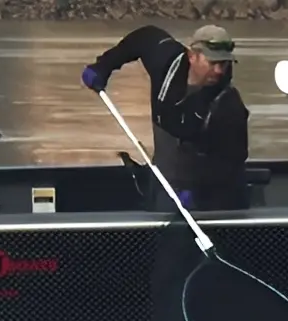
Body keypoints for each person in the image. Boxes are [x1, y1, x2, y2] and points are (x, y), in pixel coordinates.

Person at [80, 24, 250, 212]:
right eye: (213, 63)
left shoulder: (229, 106)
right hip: (164, 180)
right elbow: (144, 37)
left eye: (224, 64)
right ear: (192, 56)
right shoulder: (166, 60)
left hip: (212, 197)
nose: (219, 70)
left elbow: (231, 163)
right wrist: (104, 65)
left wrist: (199, 191)